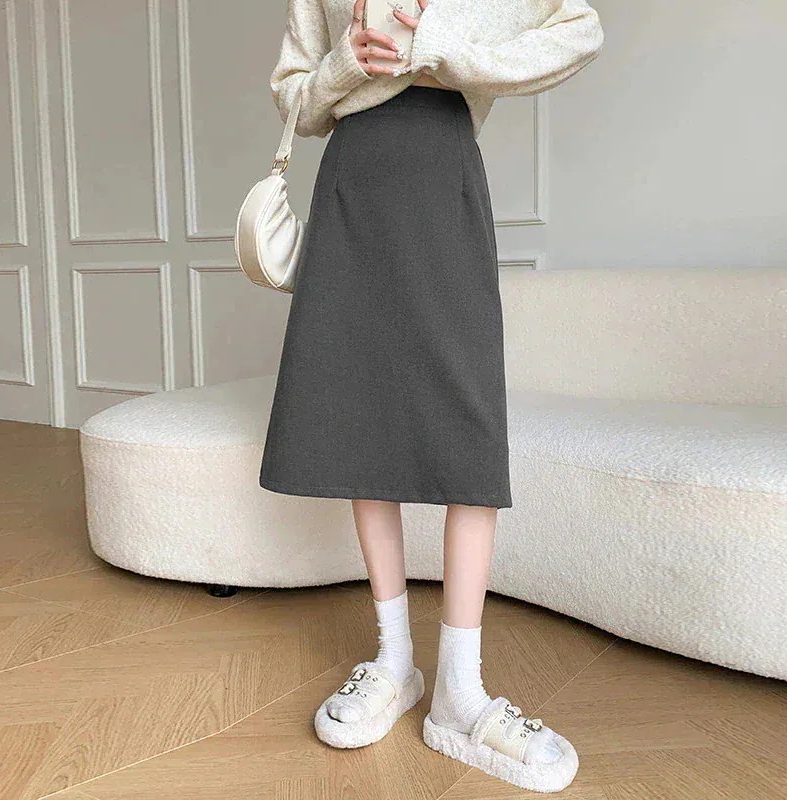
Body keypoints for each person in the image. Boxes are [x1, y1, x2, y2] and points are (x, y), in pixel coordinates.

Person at [260, 0, 604, 792]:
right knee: (362, 417)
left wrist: (439, 45)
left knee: (467, 428)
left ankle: (461, 689)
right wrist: (345, 63)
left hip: (443, 178)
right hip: (352, 186)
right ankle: (394, 662)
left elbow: (579, 30)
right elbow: (296, 102)